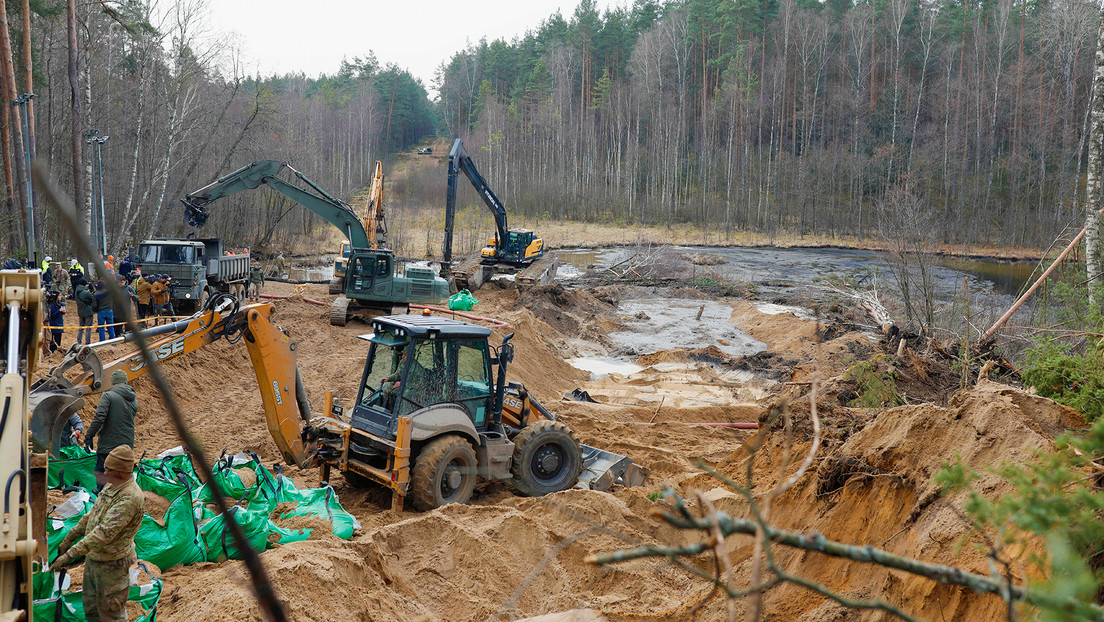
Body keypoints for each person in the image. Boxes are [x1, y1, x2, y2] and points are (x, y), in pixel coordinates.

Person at [49, 445, 143, 622]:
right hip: (95, 559)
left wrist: (69, 555)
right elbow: (92, 514)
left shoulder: (130, 497)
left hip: (112, 566)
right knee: (92, 609)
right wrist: (70, 537)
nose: (105, 473)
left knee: (110, 613)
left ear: (121, 472)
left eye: (109, 470)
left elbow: (103, 533)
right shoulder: (112, 486)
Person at [85, 369, 136, 488]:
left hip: (109, 444)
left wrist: (89, 435)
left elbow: (99, 417)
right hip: (127, 444)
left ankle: (101, 498)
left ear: (113, 383)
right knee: (121, 475)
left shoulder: (108, 396)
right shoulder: (133, 399)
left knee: (101, 472)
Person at [74, 278, 95, 345]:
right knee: (88, 329)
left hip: (80, 311)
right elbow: (92, 298)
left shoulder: (77, 291)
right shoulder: (85, 292)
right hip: (88, 312)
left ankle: (79, 342)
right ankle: (87, 343)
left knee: (81, 328)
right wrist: (92, 290)